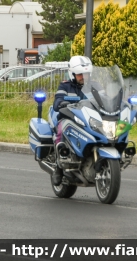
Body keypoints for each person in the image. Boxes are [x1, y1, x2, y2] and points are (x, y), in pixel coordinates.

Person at [51, 55, 93, 186]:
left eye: (86, 73)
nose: (83, 77)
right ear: (72, 74)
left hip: (88, 119)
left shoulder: (94, 86)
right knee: (63, 127)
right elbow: (57, 102)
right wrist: (63, 102)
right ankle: (58, 166)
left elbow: (104, 99)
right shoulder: (65, 86)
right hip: (69, 117)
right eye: (80, 74)